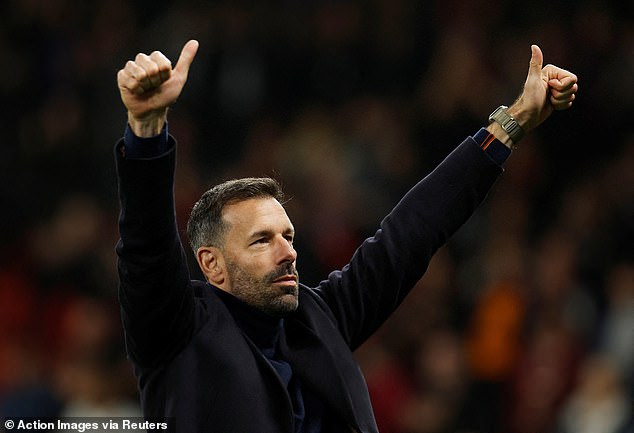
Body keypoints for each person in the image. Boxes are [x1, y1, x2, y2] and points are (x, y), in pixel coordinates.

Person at [114, 39, 577, 433]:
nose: (287, 252)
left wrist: (513, 121)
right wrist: (148, 132)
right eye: (262, 240)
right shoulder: (177, 331)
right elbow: (146, 248)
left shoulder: (318, 318)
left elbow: (412, 232)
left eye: (288, 236)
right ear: (211, 263)